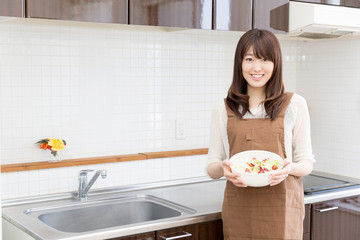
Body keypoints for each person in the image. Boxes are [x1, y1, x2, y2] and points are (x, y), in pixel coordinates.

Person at [206, 29, 315, 240]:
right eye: (249, 59)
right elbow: (212, 168)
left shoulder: (295, 104)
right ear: (240, 64)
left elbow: (306, 163)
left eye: (265, 59)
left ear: (276, 64)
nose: (257, 67)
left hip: (282, 210)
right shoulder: (223, 108)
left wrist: (289, 168)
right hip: (239, 210)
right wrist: (223, 168)